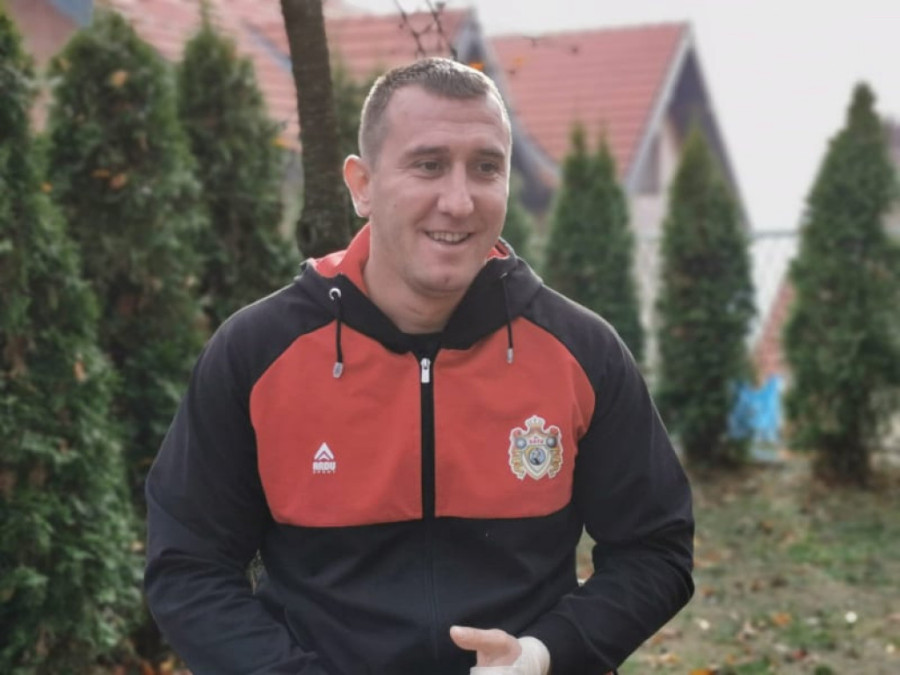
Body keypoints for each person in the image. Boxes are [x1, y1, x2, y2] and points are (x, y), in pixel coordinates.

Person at [144, 57, 694, 675]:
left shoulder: (581, 352)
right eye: (428, 165)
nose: (458, 201)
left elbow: (656, 549)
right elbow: (188, 568)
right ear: (362, 185)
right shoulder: (255, 353)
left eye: (486, 168)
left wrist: (543, 656)